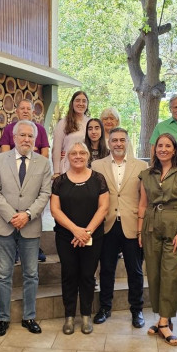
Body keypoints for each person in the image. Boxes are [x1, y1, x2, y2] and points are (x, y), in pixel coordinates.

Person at [0, 120, 53, 337]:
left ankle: (29, 316)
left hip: (30, 225)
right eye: (22, 135)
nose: (26, 139)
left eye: (30, 136)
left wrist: (27, 215)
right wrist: (11, 216)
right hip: (4, 224)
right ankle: (3, 318)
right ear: (14, 137)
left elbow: (45, 194)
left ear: (35, 140)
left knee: (31, 273)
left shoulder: (43, 163)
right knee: (3, 274)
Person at [138, 133, 177, 347]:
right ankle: (163, 317)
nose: (162, 149)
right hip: (151, 226)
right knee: (154, 274)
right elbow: (143, 204)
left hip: (175, 226)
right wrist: (138, 231)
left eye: (167, 145)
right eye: (159, 145)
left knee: (171, 274)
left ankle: (163, 323)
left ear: (174, 149)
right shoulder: (146, 174)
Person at [91, 128, 148, 328]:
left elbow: (145, 198)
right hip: (106, 224)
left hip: (132, 224)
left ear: (127, 141)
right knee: (106, 269)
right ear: (109, 141)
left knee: (135, 270)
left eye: (122, 140)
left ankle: (137, 310)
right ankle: (105, 307)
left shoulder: (141, 166)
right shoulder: (96, 165)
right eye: (114, 140)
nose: (118, 144)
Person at [50, 142, 109, 335]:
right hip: (66, 236)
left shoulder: (98, 179)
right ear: (67, 156)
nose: (78, 156)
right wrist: (76, 230)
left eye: (82, 152)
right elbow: (55, 209)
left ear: (88, 156)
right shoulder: (60, 181)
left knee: (87, 276)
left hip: (93, 237)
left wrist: (87, 232)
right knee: (69, 275)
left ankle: (85, 315)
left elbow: (104, 208)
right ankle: (69, 317)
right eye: (74, 153)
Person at [0, 99, 50, 262]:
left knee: (34, 214)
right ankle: (13, 249)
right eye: (22, 108)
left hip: (34, 175)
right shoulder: (8, 129)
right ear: (17, 111)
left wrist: (35, 169)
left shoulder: (40, 130)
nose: (26, 111)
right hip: (12, 175)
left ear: (33, 112)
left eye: (29, 108)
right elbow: (5, 154)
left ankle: (34, 249)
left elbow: (45, 153)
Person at [52, 91, 90, 175]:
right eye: (77, 100)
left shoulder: (90, 122)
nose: (81, 103)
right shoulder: (63, 123)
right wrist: (56, 172)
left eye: (84, 101)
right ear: (72, 103)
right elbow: (56, 149)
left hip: (86, 166)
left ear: (87, 104)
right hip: (67, 166)